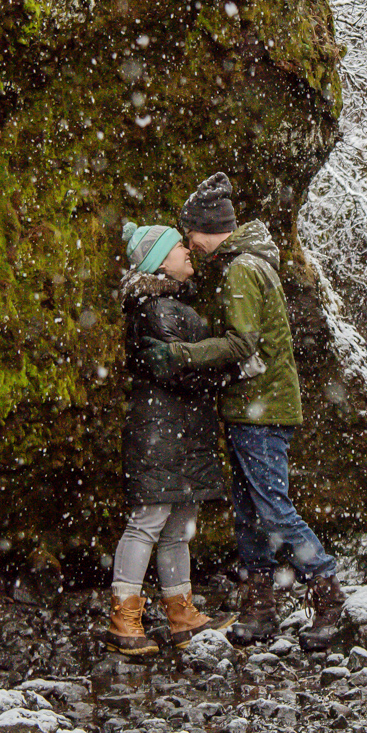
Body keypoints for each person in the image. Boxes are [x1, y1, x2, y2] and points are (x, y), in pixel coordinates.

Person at [140, 172, 348, 650]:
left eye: (190, 231)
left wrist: (179, 355)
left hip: (262, 411)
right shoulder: (247, 264)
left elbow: (241, 342)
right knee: (251, 512)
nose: (188, 243)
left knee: (272, 510)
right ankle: (261, 606)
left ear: (207, 228)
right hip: (251, 408)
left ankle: (329, 595)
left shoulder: (241, 270)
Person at [105, 220, 235, 656]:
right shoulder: (154, 308)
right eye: (179, 246)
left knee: (177, 524)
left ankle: (181, 614)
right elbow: (177, 369)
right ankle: (125, 618)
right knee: (148, 522)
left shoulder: (171, 304)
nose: (186, 251)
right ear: (160, 261)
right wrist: (223, 366)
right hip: (160, 433)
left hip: (179, 432)